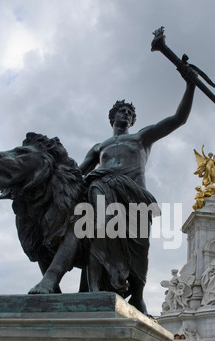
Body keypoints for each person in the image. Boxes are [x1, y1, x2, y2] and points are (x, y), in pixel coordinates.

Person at [79, 76, 196, 315]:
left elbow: (178, 119)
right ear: (112, 117)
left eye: (129, 112)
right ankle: (93, 290)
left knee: (140, 246)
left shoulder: (140, 137)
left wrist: (190, 85)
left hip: (134, 194)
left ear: (133, 120)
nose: (125, 114)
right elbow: (78, 174)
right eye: (121, 111)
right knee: (101, 229)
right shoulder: (99, 147)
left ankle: (138, 296)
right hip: (103, 186)